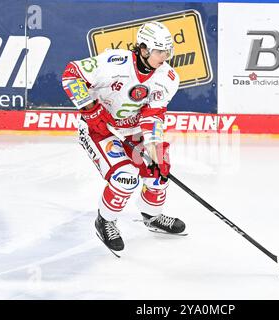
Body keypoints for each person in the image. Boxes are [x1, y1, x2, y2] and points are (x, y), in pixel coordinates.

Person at [62, 21, 186, 253]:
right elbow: (71, 74)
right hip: (99, 130)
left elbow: (152, 115)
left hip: (133, 130)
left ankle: (152, 216)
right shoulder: (113, 63)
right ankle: (105, 221)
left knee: (159, 172)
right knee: (125, 177)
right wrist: (90, 109)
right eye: (160, 51)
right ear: (143, 49)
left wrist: (153, 146)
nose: (165, 56)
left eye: (167, 51)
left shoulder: (168, 77)